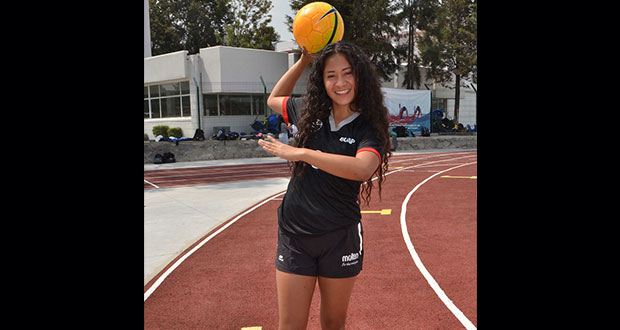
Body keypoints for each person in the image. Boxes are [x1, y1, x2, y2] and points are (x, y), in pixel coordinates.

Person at [258, 41, 392, 330]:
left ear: (360, 76)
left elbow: (363, 168)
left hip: (339, 236)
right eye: (331, 75)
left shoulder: (369, 127)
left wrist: (304, 153)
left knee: (333, 323)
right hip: (295, 233)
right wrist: (304, 60)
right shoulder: (309, 111)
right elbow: (275, 97)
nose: (340, 82)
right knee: (290, 325)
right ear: (322, 80)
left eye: (347, 73)